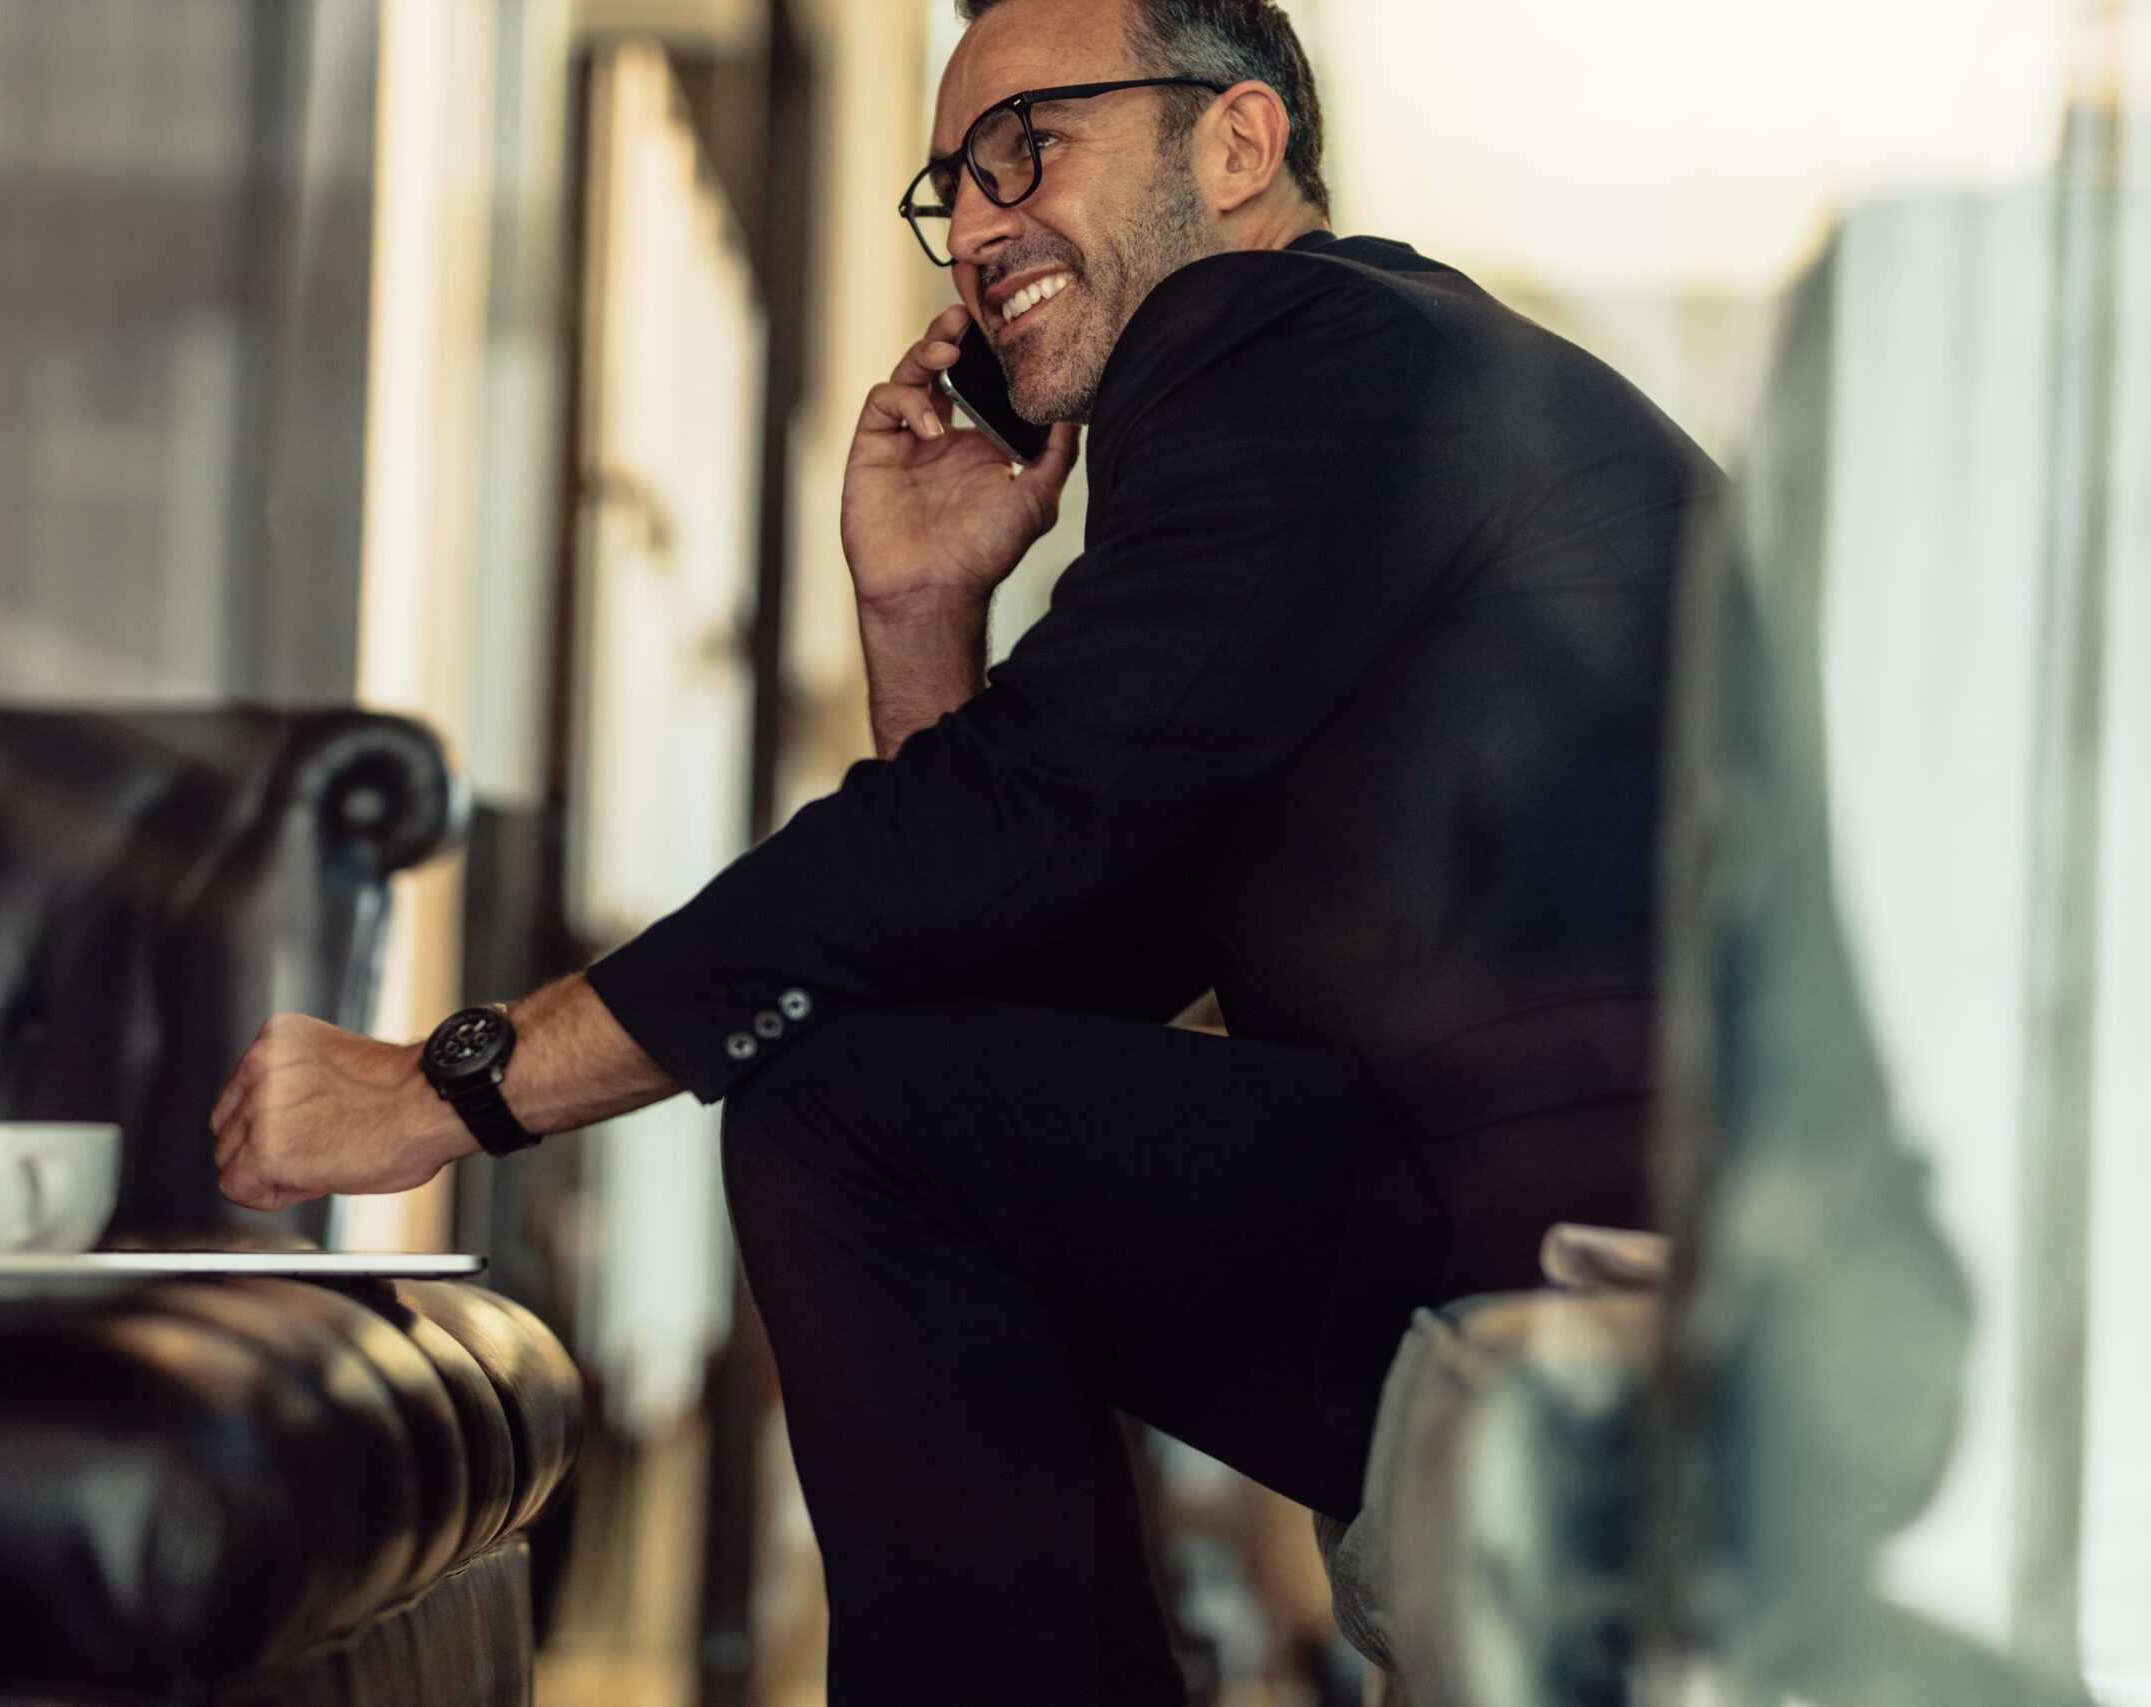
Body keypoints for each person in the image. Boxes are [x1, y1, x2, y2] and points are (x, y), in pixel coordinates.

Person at [208, 0, 1722, 1697]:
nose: (983, 224)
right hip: (1513, 1201)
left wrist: (443, 1087)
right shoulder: (1353, 405)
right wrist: (920, 613)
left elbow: (999, 841)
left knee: (847, 1117)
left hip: (1612, 1231)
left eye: (1031, 150)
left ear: (1238, 147)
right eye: (955, 185)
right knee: (876, 1096)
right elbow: (1024, 957)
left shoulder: (1300, 341)